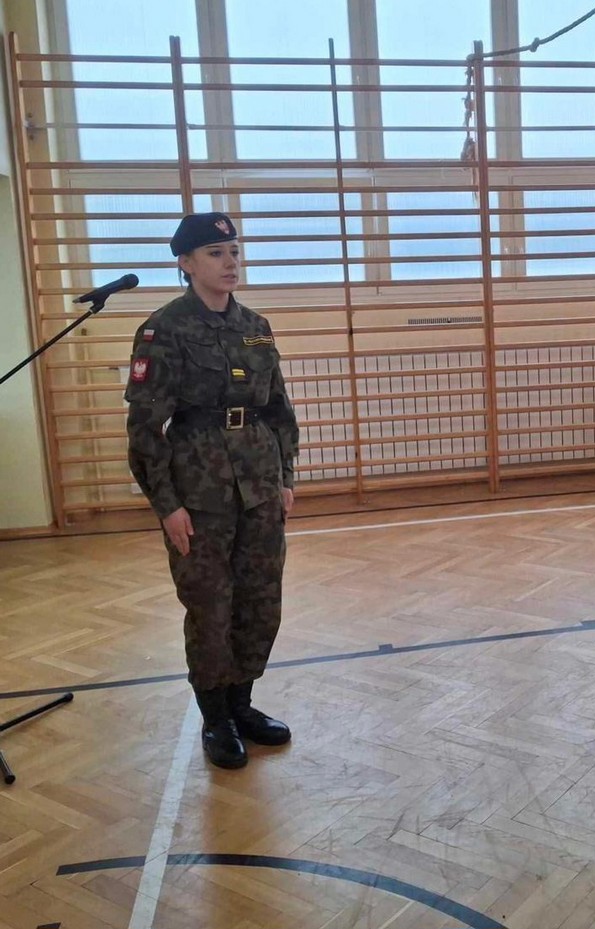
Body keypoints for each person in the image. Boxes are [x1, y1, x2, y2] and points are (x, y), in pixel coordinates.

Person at [125, 212, 299, 769]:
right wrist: (167, 505)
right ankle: (215, 717)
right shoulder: (164, 330)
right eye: (215, 254)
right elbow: (145, 429)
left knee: (260, 600)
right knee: (209, 605)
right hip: (199, 492)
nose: (230, 262)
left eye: (234, 252)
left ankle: (242, 703)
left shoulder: (255, 325)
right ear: (186, 263)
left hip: (259, 482)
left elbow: (279, 409)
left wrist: (285, 477)